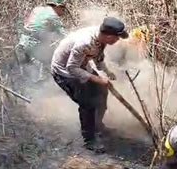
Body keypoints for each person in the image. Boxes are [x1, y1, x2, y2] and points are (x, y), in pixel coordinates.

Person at [51, 17, 128, 153]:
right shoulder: (85, 43)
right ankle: (89, 140)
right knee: (87, 103)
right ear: (109, 36)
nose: (117, 41)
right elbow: (71, 68)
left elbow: (98, 58)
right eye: (117, 38)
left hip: (82, 66)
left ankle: (98, 125)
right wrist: (97, 79)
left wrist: (107, 72)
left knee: (102, 93)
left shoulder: (100, 39)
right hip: (65, 72)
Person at [17, 0, 67, 80]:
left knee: (25, 77)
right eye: (63, 8)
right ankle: (47, 86)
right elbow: (64, 35)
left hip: (22, 43)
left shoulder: (37, 9)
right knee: (55, 62)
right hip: (33, 46)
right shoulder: (53, 16)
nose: (63, 11)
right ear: (57, 6)